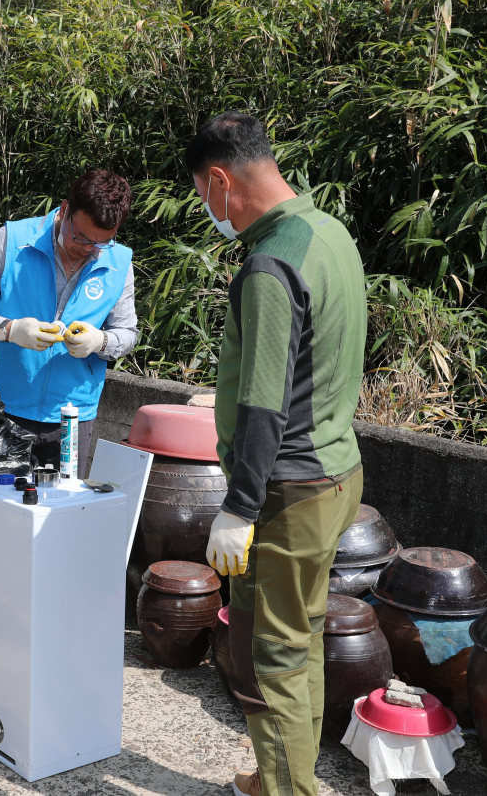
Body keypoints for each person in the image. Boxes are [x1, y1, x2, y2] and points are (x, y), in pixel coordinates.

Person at [186, 112, 366, 796]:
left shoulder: (270, 263)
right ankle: (277, 778)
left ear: (222, 180)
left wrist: (238, 505)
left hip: (286, 489)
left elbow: (265, 401)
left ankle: (289, 790)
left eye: (205, 196)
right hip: (335, 469)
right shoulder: (328, 233)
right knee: (302, 636)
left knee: (268, 657)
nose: (210, 211)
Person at [0, 170, 136, 476]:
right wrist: (9, 330)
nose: (88, 248)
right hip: (4, 408)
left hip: (71, 418)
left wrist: (100, 342)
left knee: (59, 517)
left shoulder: (119, 263)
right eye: (80, 236)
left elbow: (127, 333)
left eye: (101, 242)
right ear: (64, 210)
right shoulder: (12, 241)